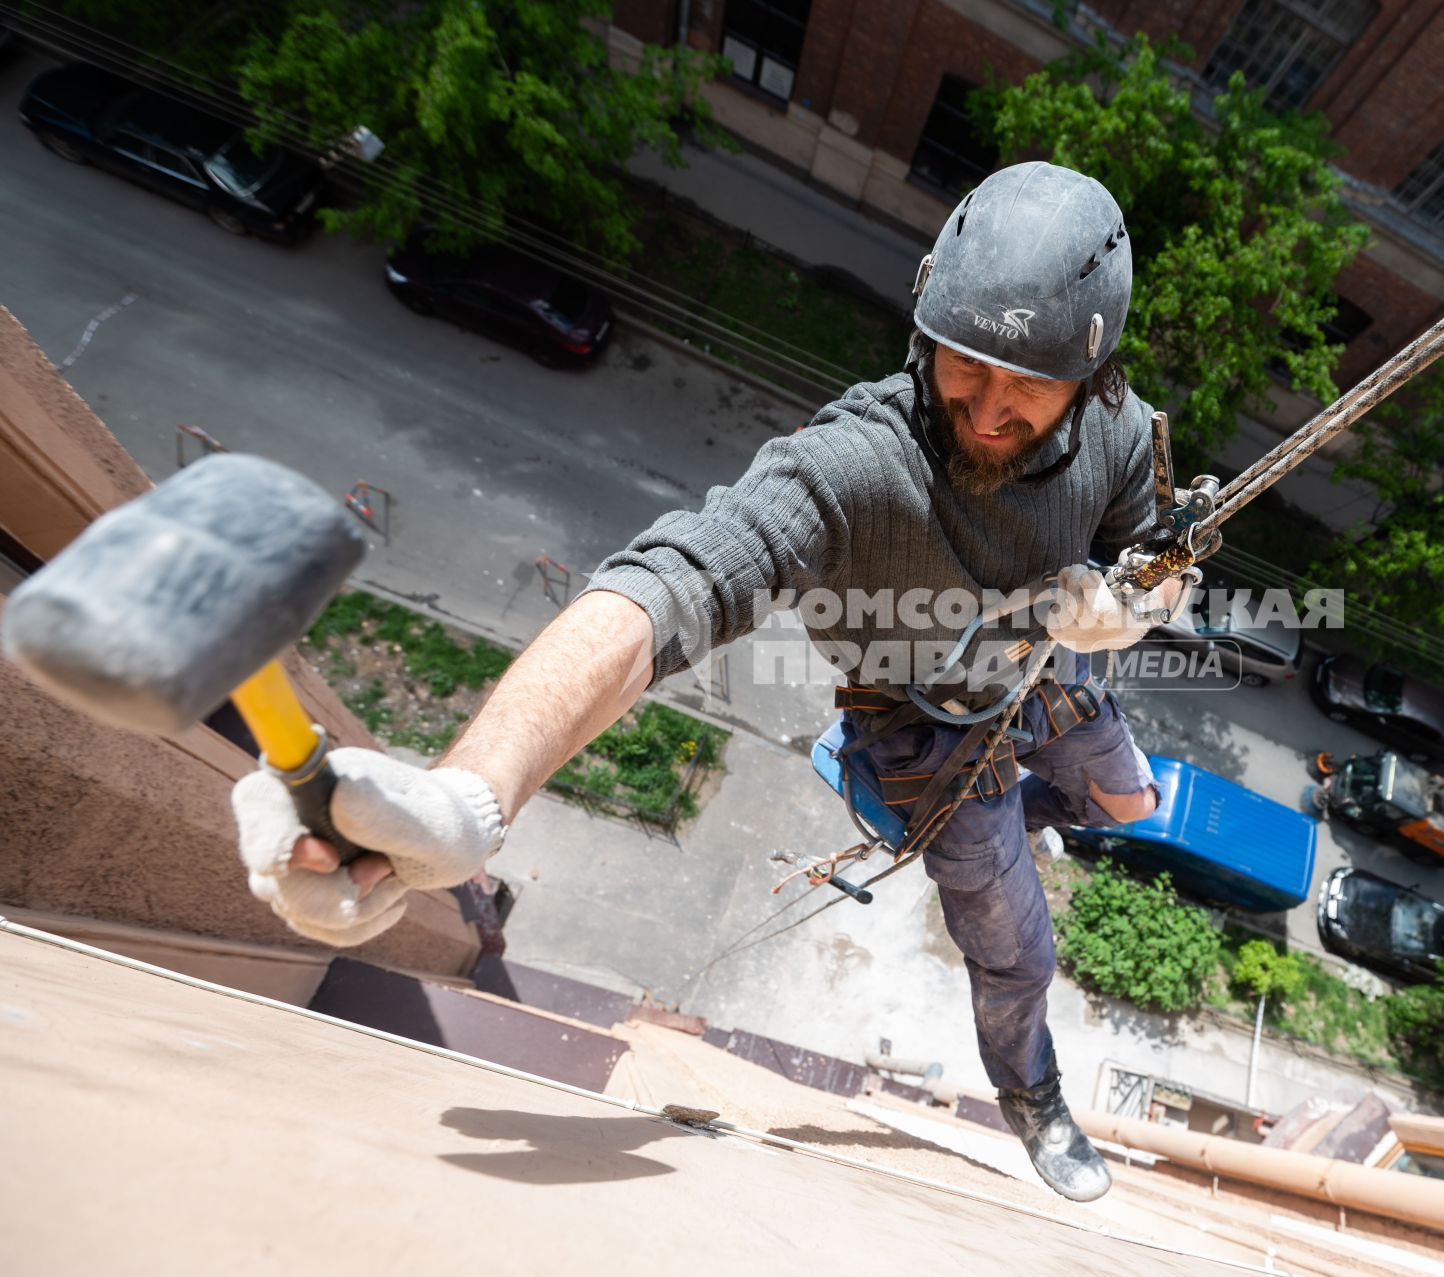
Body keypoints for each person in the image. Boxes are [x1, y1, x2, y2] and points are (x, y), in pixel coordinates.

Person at [232, 161, 1188, 1203]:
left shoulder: (1120, 433)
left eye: (1030, 386)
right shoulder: (857, 466)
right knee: (1016, 946)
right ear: (927, 332)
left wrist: (1141, 596)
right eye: (968, 364)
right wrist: (475, 788)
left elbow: (1146, 548)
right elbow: (679, 581)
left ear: (1089, 381)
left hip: (1050, 676)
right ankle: (1030, 1086)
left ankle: (1041, 805)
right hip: (928, 732)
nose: (991, 410)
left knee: (1128, 798)